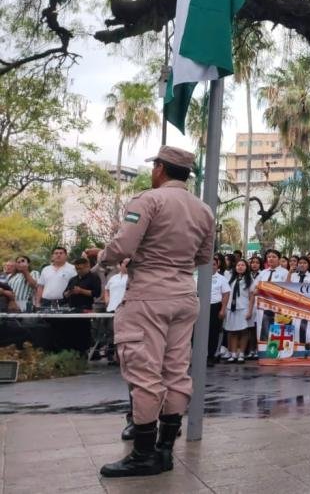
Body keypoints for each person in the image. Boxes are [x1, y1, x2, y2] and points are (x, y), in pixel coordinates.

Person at [98, 145, 215, 478]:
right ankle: (164, 451)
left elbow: (122, 247)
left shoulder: (148, 200)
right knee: (176, 372)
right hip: (183, 295)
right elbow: (203, 258)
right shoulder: (204, 210)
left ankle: (143, 455)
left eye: (155, 167)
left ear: (160, 169)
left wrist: (102, 257)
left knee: (144, 374)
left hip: (148, 295)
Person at [221, 259, 255, 363]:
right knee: (232, 331)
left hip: (244, 308)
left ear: (246, 267)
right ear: (235, 267)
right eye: (238, 265)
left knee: (244, 331)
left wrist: (250, 311)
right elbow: (226, 294)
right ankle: (233, 353)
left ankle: (241, 353)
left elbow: (251, 296)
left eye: (243, 265)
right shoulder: (231, 279)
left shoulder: (250, 279)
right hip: (232, 308)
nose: (240, 267)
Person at [207, 259, 230, 366]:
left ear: (217, 266)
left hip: (215, 307)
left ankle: (211, 356)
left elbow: (226, 294)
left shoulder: (221, 279)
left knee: (213, 332)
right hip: (201, 306)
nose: (212, 266)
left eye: (214, 264)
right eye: (209, 264)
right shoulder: (198, 276)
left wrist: (222, 309)